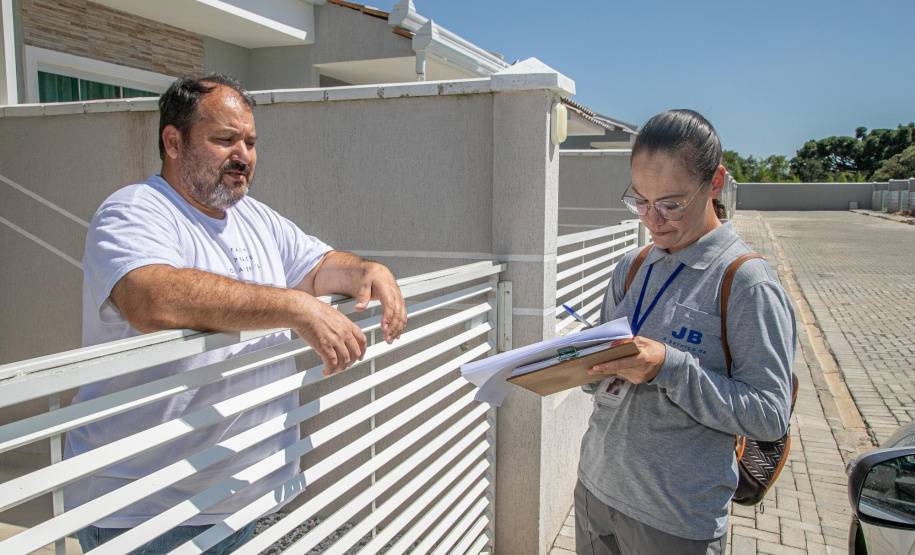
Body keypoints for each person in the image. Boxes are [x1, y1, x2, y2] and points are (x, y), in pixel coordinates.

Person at [65, 73, 407, 555]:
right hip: (150, 513)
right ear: (173, 142)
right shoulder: (134, 211)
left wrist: (368, 270)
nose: (242, 154)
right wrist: (293, 306)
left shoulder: (256, 218)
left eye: (249, 141)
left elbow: (322, 266)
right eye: (225, 139)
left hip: (261, 496)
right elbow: (151, 298)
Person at [575, 109, 796, 554]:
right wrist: (578, 363)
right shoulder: (633, 266)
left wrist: (670, 369)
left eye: (671, 204)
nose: (653, 220)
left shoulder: (745, 281)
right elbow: (596, 380)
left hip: (675, 521)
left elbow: (770, 415)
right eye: (640, 201)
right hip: (595, 493)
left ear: (715, 182)